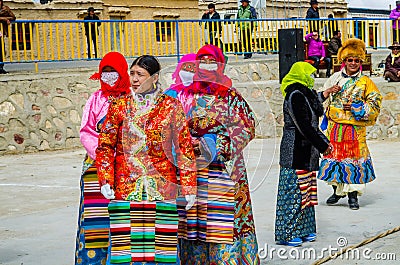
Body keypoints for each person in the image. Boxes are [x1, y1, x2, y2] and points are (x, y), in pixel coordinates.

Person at [95, 55, 197, 265]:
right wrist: (105, 179)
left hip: (162, 187)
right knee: (126, 248)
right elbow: (105, 145)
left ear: (155, 77)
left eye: (140, 74)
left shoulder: (171, 106)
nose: (134, 79)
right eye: (131, 73)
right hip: (125, 185)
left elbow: (184, 148)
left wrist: (189, 188)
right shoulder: (119, 105)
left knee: (162, 248)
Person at [174, 44, 260, 264]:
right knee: (196, 217)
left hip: (225, 168)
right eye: (202, 60)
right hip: (194, 168)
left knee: (225, 219)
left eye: (212, 60)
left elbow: (247, 127)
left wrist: (213, 145)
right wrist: (185, 142)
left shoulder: (232, 96)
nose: (206, 65)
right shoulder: (185, 95)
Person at [75, 51, 131, 265]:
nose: (109, 76)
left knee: (124, 219)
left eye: (113, 71)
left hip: (125, 166)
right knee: (95, 220)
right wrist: (103, 154)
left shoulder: (131, 99)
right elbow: (86, 131)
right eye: (105, 72)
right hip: (96, 163)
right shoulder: (95, 99)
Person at [275, 62, 337, 247]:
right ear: (301, 74)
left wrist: (326, 94)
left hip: (306, 152)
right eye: (310, 74)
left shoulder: (305, 94)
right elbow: (304, 126)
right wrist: (323, 145)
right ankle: (287, 233)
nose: (312, 77)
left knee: (306, 193)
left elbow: (314, 104)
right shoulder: (295, 95)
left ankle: (304, 229)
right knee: (293, 193)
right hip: (295, 151)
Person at [318, 38, 382, 210]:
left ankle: (353, 196)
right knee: (333, 158)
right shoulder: (334, 78)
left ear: (360, 62)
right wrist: (328, 92)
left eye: (356, 60)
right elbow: (321, 100)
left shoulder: (366, 82)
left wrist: (356, 107)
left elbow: (375, 103)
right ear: (344, 61)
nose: (353, 63)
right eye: (349, 60)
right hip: (334, 127)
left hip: (354, 129)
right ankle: (337, 191)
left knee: (353, 161)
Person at [0, 0, 15, 74]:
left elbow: (13, 17)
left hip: (1, 32)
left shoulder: (5, 9)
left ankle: (0, 67)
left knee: (1, 50)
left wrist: (7, 19)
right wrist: (4, 19)